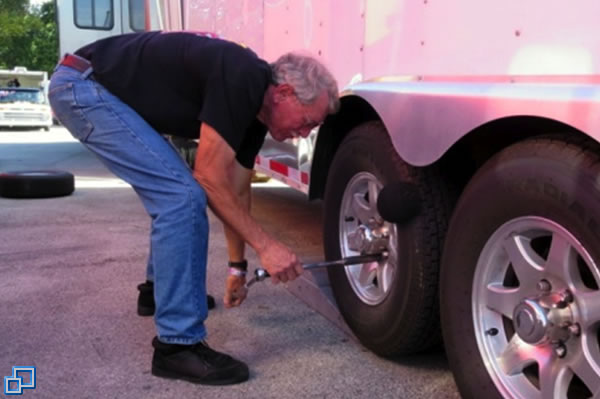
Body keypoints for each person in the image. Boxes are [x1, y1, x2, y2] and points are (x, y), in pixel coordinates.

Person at [48, 31, 339, 386]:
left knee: (177, 190)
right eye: (308, 120)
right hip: (84, 87)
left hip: (93, 85)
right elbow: (209, 178)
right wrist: (268, 246)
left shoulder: (253, 114)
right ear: (284, 93)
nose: (304, 132)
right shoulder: (243, 76)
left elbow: (236, 189)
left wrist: (237, 269)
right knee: (182, 196)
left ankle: (158, 292)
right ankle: (176, 346)